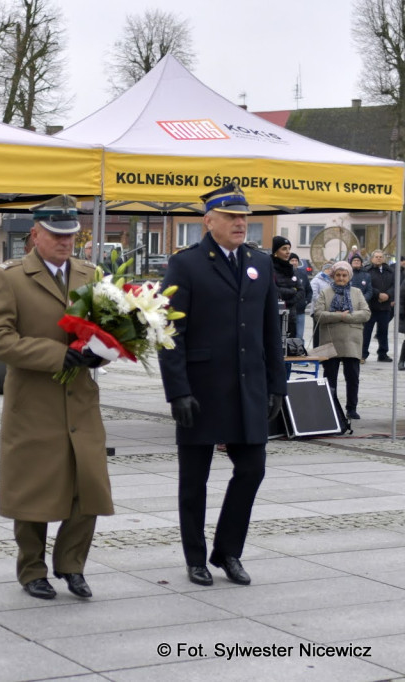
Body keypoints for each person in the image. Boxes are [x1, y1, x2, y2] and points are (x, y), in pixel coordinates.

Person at [0, 196, 112, 601]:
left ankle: (72, 565)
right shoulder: (12, 277)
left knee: (87, 486)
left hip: (80, 399)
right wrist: (58, 355)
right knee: (32, 490)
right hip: (34, 400)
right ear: (35, 234)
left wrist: (107, 347)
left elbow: (108, 325)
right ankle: (32, 569)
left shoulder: (90, 274)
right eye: (56, 234)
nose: (65, 242)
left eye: (71, 234)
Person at [158, 184, 286, 587]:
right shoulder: (188, 264)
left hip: (248, 388)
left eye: (243, 216)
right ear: (208, 221)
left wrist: (276, 385)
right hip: (202, 389)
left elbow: (270, 330)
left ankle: (228, 550)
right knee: (194, 481)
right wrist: (177, 390)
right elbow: (169, 331)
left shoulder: (260, 263)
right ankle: (195, 557)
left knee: (252, 470)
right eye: (231, 217)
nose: (240, 223)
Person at [315, 261, 370, 420]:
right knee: (329, 378)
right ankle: (330, 407)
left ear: (349, 276)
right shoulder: (325, 292)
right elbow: (319, 314)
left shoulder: (357, 292)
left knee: (353, 378)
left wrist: (348, 317)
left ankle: (351, 408)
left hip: (352, 341)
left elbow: (366, 314)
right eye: (338, 275)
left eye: (344, 275)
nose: (341, 278)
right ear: (333, 276)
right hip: (330, 340)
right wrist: (340, 315)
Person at [270, 236, 307, 338]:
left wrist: (287, 302)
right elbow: (274, 290)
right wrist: (292, 291)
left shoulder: (292, 269)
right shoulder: (269, 267)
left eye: (289, 249)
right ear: (275, 251)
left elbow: (301, 291)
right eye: (284, 249)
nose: (288, 252)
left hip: (291, 317)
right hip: (274, 318)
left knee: (290, 349)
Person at [362, 249, 395, 363]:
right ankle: (363, 354)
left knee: (383, 332)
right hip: (371, 306)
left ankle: (383, 354)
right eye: (376, 256)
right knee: (366, 332)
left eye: (381, 257)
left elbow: (394, 285)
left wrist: (388, 294)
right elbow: (367, 286)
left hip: (385, 307)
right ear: (372, 258)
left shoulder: (390, 271)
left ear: (384, 258)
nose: (379, 258)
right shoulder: (367, 271)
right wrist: (378, 294)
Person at [289, 253, 312, 343]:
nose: (294, 262)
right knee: (289, 334)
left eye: (296, 261)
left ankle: (299, 352)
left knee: (299, 335)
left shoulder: (302, 274)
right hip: (288, 310)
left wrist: (306, 301)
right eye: (292, 260)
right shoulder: (284, 273)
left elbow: (309, 290)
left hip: (300, 311)